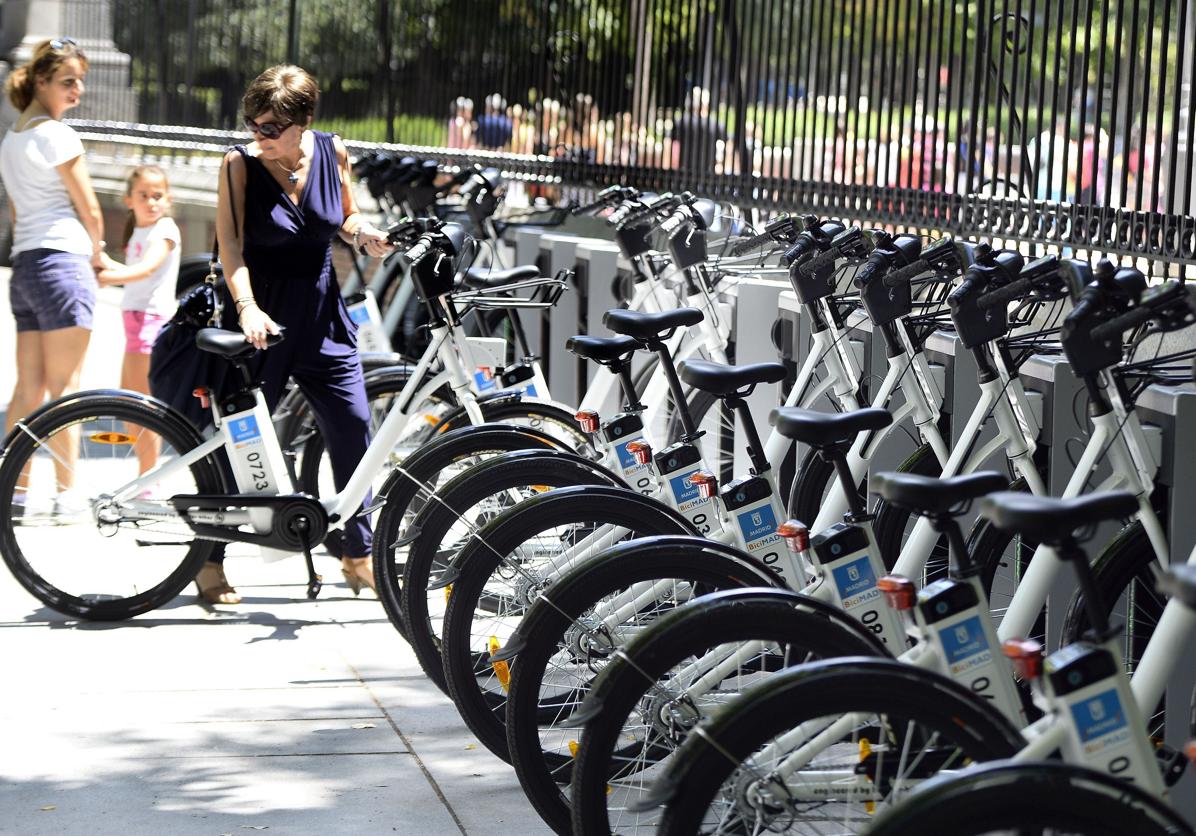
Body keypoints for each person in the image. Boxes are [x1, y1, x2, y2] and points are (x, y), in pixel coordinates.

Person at [196, 65, 392, 605]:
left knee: (354, 429)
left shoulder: (333, 153)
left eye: (269, 127)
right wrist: (248, 308)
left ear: (303, 121)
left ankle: (358, 552)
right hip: (263, 319)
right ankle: (209, 560)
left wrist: (365, 233)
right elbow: (230, 248)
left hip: (324, 315)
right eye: (253, 124)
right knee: (242, 442)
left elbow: (344, 217)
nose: (258, 135)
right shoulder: (239, 165)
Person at [0, 38, 104, 518]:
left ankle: (14, 493)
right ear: (40, 82)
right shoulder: (59, 136)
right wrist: (99, 255)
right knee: (67, 390)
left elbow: (19, 215)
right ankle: (66, 496)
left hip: (25, 268)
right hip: (63, 263)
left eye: (80, 80)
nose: (77, 90)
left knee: (27, 390)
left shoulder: (12, 138)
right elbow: (90, 208)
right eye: (68, 81)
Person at [95, 165, 181, 474]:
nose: (151, 202)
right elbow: (135, 271)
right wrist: (103, 262)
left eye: (157, 195)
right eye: (143, 195)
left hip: (150, 322)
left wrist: (110, 278)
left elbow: (146, 269)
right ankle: (144, 474)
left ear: (167, 199)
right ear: (129, 199)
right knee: (129, 400)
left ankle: (149, 477)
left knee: (142, 404)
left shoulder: (165, 229)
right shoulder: (140, 231)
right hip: (135, 322)